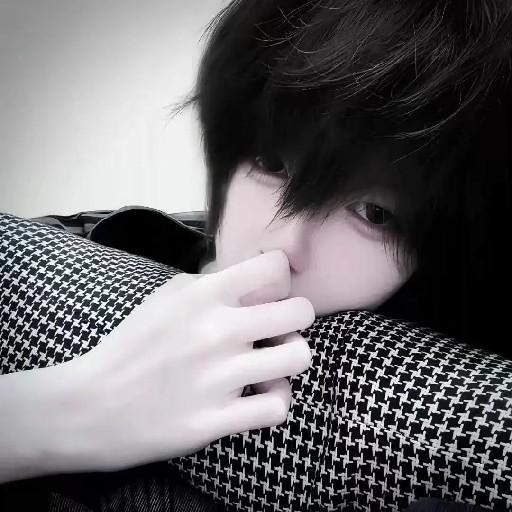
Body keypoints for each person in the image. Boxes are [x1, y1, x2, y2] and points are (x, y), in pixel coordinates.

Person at [0, 0, 510, 510]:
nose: (284, 244)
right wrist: (57, 413)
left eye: (373, 214)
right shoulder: (78, 250)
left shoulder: (454, 430)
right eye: (271, 163)